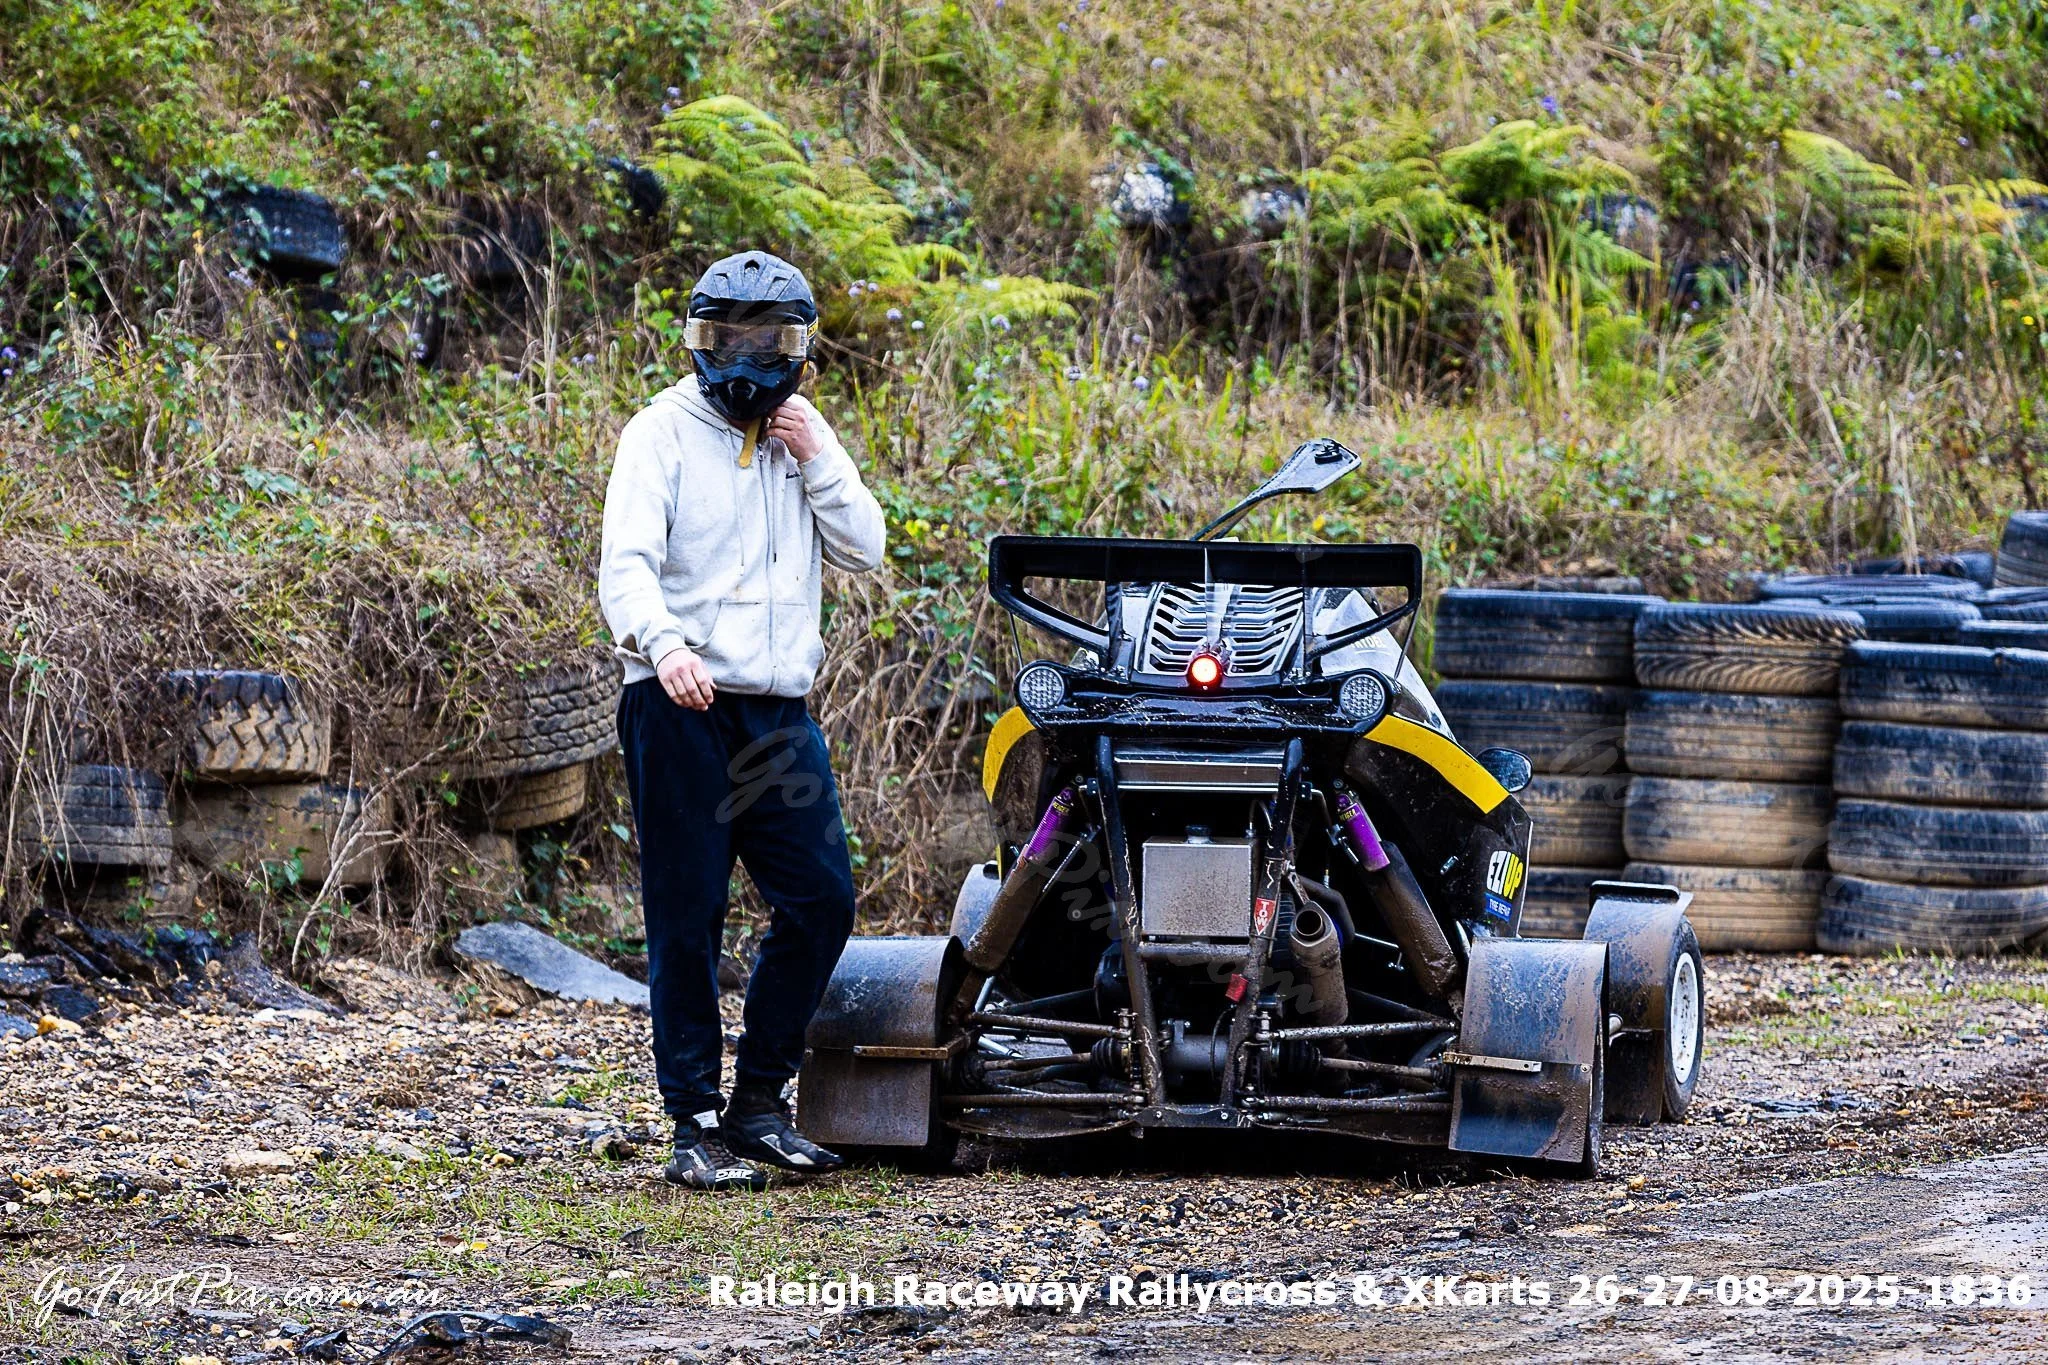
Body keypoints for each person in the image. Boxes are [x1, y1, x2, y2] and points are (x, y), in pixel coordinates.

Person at [599, 250, 885, 1191]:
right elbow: (627, 565)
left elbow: (865, 546)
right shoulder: (659, 432)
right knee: (688, 911)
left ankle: (762, 1100)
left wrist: (818, 454)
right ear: (699, 342)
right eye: (731, 342)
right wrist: (663, 643)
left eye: (773, 344)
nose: (750, 365)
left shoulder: (803, 435)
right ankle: (694, 1120)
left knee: (821, 898)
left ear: (800, 350)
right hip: (678, 703)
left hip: (773, 713)